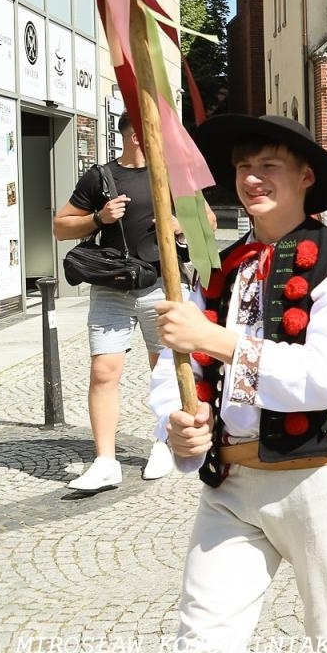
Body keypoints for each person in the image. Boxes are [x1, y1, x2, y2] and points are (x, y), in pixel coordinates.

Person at [148, 114, 327, 653]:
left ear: (306, 177)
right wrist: (178, 425)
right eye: (244, 167)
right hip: (229, 488)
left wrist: (217, 339)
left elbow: (321, 378)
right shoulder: (219, 266)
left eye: (269, 165)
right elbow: (179, 371)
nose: (252, 177)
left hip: (315, 482)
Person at [55, 111, 204, 490]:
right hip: (112, 287)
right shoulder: (100, 177)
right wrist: (98, 218)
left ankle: (163, 443)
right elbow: (60, 226)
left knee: (165, 370)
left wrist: (181, 225)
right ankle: (105, 461)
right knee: (104, 371)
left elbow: (208, 224)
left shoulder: (172, 175)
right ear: (138, 134)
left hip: (163, 286)